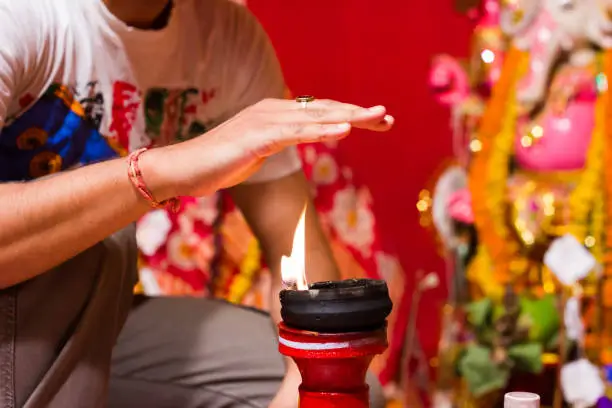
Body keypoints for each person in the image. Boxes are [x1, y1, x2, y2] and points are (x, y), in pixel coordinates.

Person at [0, 0, 394, 407]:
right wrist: (161, 171)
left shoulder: (225, 36)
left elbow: (297, 247)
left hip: (96, 322)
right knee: (103, 246)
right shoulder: (21, 14)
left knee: (341, 390)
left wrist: (306, 380)